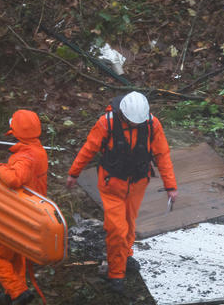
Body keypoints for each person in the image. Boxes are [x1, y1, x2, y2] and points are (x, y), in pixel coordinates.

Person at [65, 91, 178, 293]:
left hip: (137, 183)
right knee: (117, 229)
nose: (135, 125)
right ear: (123, 114)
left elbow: (162, 155)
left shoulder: (152, 124)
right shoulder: (106, 123)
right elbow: (88, 149)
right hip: (112, 185)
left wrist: (171, 186)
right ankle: (115, 274)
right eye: (131, 122)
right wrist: (74, 174)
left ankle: (124, 256)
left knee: (129, 223)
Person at [0, 109, 46, 305]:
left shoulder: (25, 157)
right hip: (31, 214)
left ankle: (18, 292)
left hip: (16, 213)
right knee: (16, 254)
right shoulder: (38, 151)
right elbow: (21, 172)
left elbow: (14, 178)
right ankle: (12, 294)